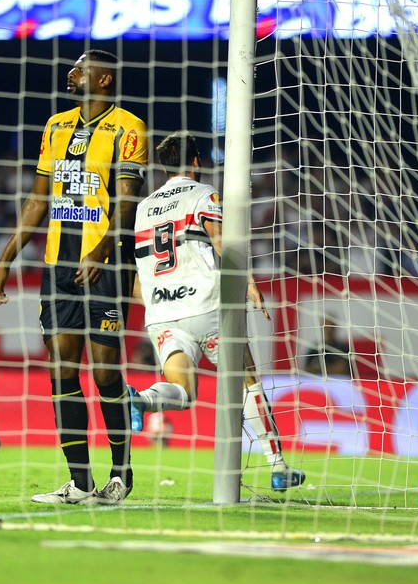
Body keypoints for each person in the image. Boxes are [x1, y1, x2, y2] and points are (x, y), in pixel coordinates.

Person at [0, 50, 147, 505]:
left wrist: (100, 249)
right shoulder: (56, 126)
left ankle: (120, 474)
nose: (70, 74)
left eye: (81, 69)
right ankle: (80, 481)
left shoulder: (128, 128)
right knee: (61, 368)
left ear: (104, 80)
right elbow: (39, 199)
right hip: (59, 265)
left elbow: (127, 200)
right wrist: (6, 259)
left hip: (105, 264)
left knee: (103, 370)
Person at [128, 131, 305, 491]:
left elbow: (139, 270)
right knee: (248, 381)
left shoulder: (143, 208)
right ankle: (278, 466)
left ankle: (142, 400)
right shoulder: (203, 194)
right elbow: (221, 241)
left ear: (163, 168)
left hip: (162, 312)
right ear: (196, 162)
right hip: (207, 306)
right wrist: (249, 282)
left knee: (183, 390)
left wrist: (158, 307)